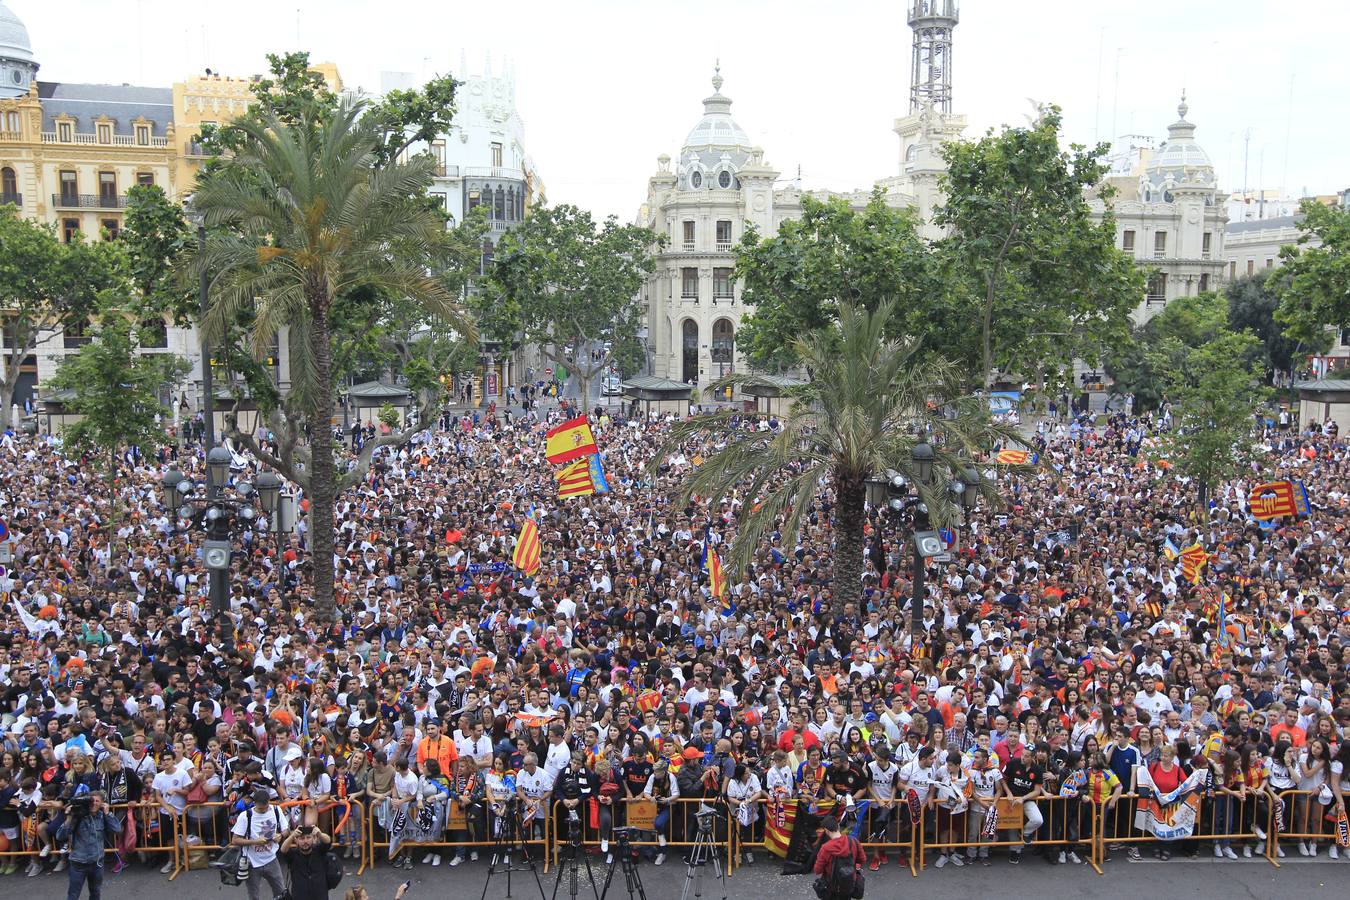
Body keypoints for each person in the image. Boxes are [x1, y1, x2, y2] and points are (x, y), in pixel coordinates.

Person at [56, 789, 121, 900]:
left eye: (97, 801)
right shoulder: (78, 816)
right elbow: (60, 836)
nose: (94, 803)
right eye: (92, 800)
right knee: (73, 895)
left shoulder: (102, 816)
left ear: (102, 803)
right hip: (78, 863)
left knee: (95, 893)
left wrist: (108, 813)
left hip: (97, 863)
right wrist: (69, 817)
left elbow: (117, 829)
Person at [231, 785, 289, 900]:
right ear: (254, 804)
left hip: (271, 858)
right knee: (253, 895)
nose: (264, 810)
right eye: (261, 808)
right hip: (252, 862)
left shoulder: (276, 810)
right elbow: (235, 840)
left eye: (266, 807)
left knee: (281, 892)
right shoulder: (246, 816)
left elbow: (286, 830)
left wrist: (281, 835)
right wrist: (254, 841)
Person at [812, 814, 865, 900]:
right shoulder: (853, 841)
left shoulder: (825, 848)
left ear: (826, 830)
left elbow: (817, 870)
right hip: (849, 882)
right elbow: (862, 859)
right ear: (838, 826)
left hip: (832, 886)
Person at [280, 822, 334, 900]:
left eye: (308, 837)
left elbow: (328, 841)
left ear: (313, 838)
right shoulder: (293, 855)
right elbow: (283, 850)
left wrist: (320, 834)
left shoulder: (319, 850)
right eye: (302, 838)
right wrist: (292, 836)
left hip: (320, 896)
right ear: (297, 840)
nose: (305, 841)